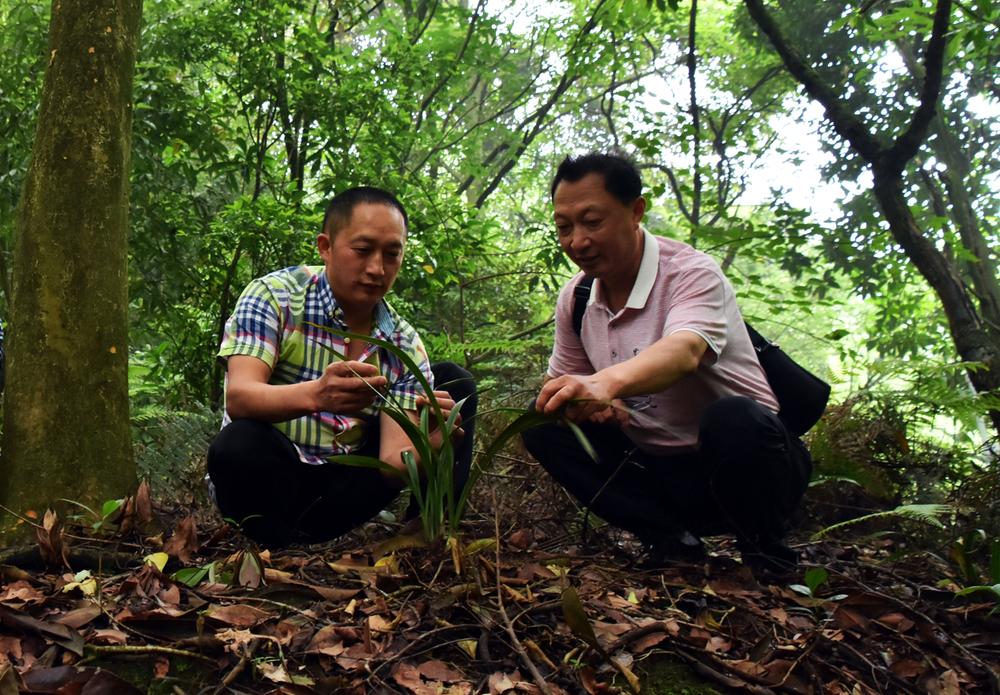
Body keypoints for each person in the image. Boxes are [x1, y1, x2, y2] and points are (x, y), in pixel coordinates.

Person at [521, 153, 811, 570]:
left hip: (753, 467)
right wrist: (586, 404)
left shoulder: (691, 274)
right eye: (564, 227)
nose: (577, 241)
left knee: (733, 419)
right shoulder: (578, 297)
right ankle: (672, 541)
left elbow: (685, 351)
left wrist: (605, 384)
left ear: (636, 210)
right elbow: (563, 386)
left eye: (593, 222)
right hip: (661, 472)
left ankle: (765, 551)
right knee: (543, 422)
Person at [207, 186, 476, 548]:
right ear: (326, 247)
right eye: (362, 251)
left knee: (452, 385)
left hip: (343, 490)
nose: (377, 268)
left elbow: (394, 466)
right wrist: (318, 394)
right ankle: (269, 548)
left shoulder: (403, 342)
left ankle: (427, 532)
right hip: (272, 483)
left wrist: (432, 446)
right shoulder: (276, 296)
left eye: (392, 254)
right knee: (238, 443)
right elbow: (239, 397)